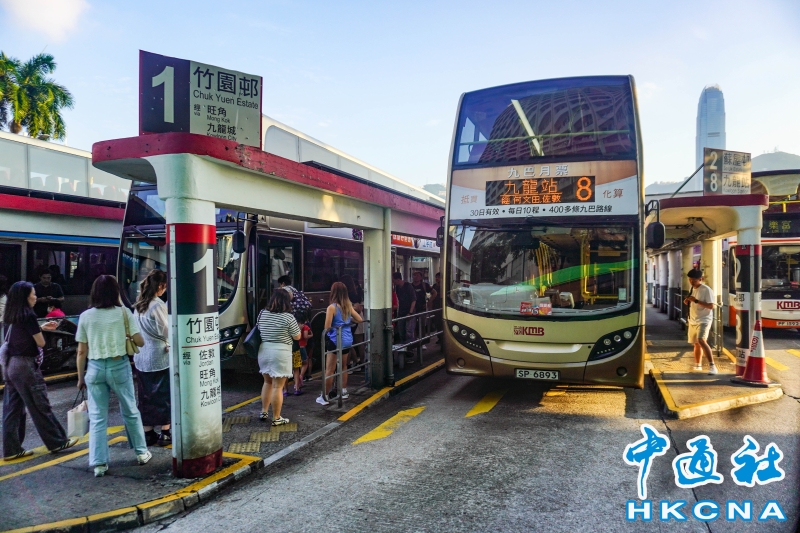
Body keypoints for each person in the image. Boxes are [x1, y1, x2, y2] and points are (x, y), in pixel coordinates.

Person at [75, 275, 150, 477]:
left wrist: (80, 378)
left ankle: (99, 464)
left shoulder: (86, 316)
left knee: (98, 417)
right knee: (130, 410)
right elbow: (140, 342)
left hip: (94, 368)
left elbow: (81, 351)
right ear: (116, 292)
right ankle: (141, 453)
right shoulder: (124, 313)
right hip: (118, 366)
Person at [2, 281, 79, 460]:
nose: (36, 297)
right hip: (25, 366)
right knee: (39, 404)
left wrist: (40, 328)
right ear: (25, 297)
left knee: (12, 409)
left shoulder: (10, 316)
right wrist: (41, 331)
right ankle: (57, 441)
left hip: (11, 364)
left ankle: (11, 449)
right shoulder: (28, 315)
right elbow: (41, 343)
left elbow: (19, 336)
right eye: (33, 294)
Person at [132, 269, 171, 447]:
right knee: (163, 395)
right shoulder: (157, 305)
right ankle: (165, 432)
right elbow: (166, 330)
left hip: (141, 357)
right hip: (159, 356)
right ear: (160, 286)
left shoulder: (139, 305)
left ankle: (148, 433)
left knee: (146, 396)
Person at [257, 289, 301, 425]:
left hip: (264, 350)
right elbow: (297, 336)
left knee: (267, 382)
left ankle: (264, 411)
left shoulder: (262, 313)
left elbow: (259, 328)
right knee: (277, 386)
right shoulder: (288, 317)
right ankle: (276, 418)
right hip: (281, 352)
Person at [317, 282, 363, 406]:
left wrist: (337, 324)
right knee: (343, 367)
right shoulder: (348, 306)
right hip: (347, 340)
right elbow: (360, 319)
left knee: (329, 370)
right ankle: (343, 392)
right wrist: (347, 321)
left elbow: (327, 327)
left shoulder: (331, 308)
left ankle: (325, 396)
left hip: (335, 340)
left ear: (333, 292)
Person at [683, 269, 718, 375]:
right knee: (696, 344)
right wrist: (688, 300)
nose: (692, 282)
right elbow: (693, 300)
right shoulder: (692, 288)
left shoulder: (706, 290)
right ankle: (698, 365)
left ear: (701, 279)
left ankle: (713, 366)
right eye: (690, 280)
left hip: (704, 319)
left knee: (701, 340)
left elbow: (711, 306)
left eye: (694, 280)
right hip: (693, 319)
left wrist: (695, 300)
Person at [392, 272, 416, 344]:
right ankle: (404, 346)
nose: (393, 282)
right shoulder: (397, 288)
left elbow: (413, 300)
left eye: (393, 280)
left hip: (409, 312)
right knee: (401, 331)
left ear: (398, 280)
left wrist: (410, 312)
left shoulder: (408, 286)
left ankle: (409, 347)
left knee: (409, 331)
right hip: (401, 312)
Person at [297, 311, 313, 383]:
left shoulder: (294, 327)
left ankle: (299, 378)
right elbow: (305, 336)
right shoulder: (305, 326)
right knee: (306, 362)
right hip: (303, 346)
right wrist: (311, 335)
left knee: (299, 363)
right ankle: (302, 376)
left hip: (296, 347)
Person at [429, 272, 442, 343]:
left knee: (441, 322)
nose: (437, 278)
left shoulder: (444, 286)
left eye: (438, 277)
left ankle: (442, 337)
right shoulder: (434, 285)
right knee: (437, 322)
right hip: (435, 306)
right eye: (436, 277)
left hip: (441, 306)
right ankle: (439, 337)